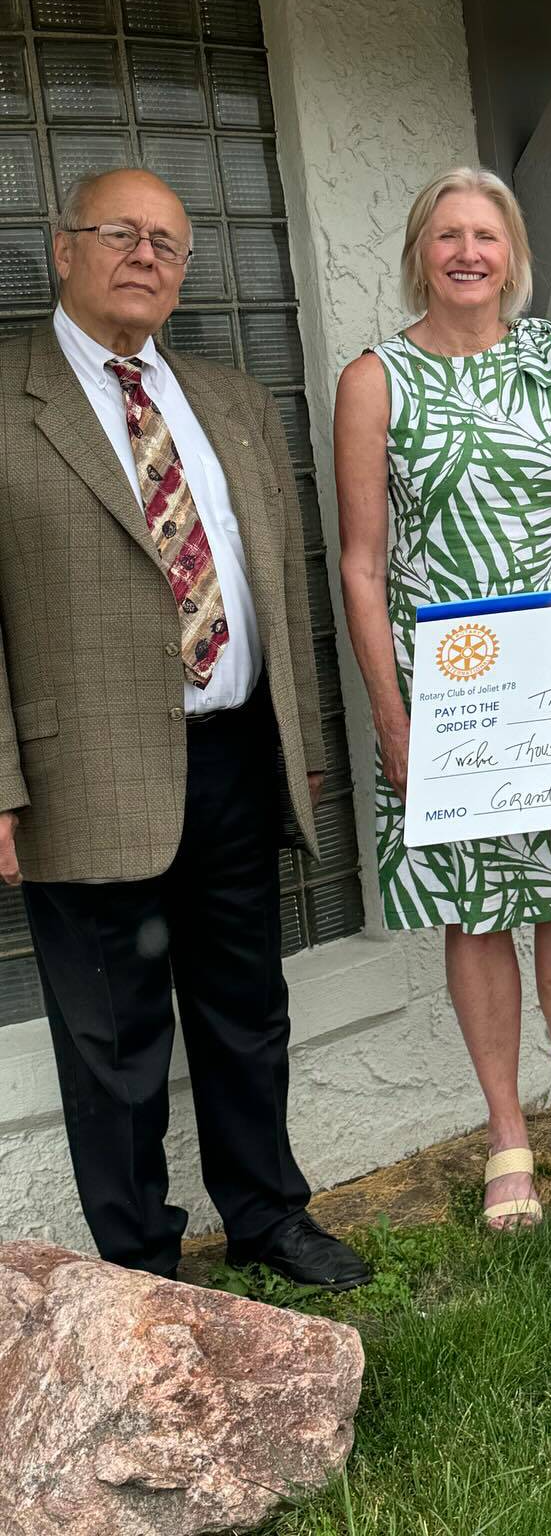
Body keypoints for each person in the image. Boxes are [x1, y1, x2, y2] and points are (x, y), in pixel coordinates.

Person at [0, 168, 369, 1288]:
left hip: (234, 759)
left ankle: (268, 1216)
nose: (145, 255)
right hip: (85, 777)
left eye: (168, 241)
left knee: (247, 1010)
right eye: (120, 232)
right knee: (112, 1045)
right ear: (62, 250)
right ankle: (141, 1262)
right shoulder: (8, 396)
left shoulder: (229, 399)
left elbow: (277, 585)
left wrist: (295, 743)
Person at [335, 166, 551, 1233]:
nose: (469, 252)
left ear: (513, 257)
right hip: (447, 691)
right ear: (422, 249)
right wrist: (392, 720)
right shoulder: (377, 378)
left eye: (489, 236)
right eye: (449, 234)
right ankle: (508, 1128)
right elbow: (363, 566)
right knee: (475, 907)